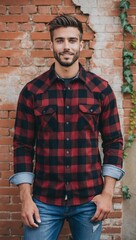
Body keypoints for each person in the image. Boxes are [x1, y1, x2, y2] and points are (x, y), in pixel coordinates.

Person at [9, 14, 125, 240]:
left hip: (89, 200)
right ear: (51, 44)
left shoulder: (101, 89)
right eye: (60, 41)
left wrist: (108, 194)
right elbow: (22, 146)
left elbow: (114, 142)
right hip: (44, 200)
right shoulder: (33, 91)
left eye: (72, 41)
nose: (66, 47)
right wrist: (26, 198)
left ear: (81, 45)